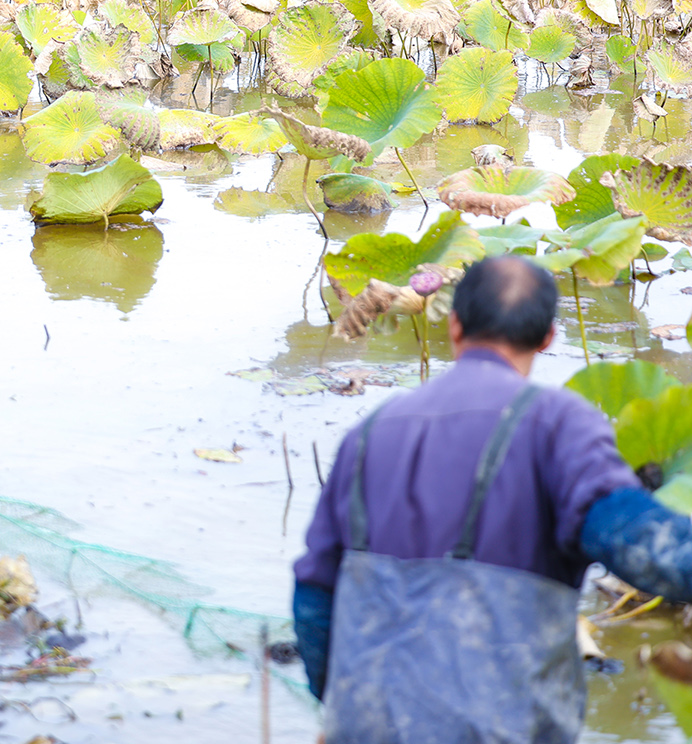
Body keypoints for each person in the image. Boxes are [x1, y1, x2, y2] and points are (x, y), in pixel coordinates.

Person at [294, 255, 692, 743]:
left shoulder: (369, 432)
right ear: (547, 337)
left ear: (455, 325)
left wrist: (336, 703)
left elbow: (315, 594)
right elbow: (646, 551)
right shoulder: (559, 426)